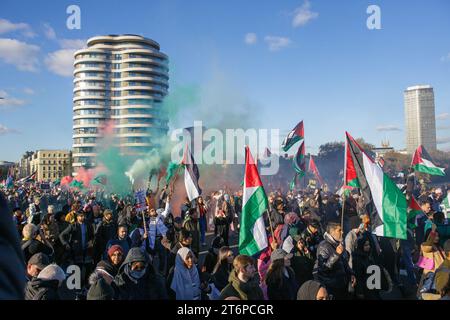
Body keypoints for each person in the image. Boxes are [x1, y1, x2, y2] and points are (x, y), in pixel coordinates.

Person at [313, 222, 355, 300]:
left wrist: (351, 273)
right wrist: (336, 254)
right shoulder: (323, 246)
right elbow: (323, 268)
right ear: (332, 232)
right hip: (333, 289)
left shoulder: (338, 244)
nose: (342, 232)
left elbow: (344, 263)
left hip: (343, 286)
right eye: (339, 230)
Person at [58, 211, 95, 285]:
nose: (82, 217)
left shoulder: (88, 225)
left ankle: (86, 285)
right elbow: (61, 235)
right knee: (78, 269)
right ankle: (78, 287)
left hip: (87, 250)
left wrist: (91, 241)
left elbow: (93, 235)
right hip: (77, 251)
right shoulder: (73, 226)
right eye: (81, 216)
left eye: (83, 216)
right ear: (77, 217)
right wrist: (66, 244)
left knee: (88, 268)